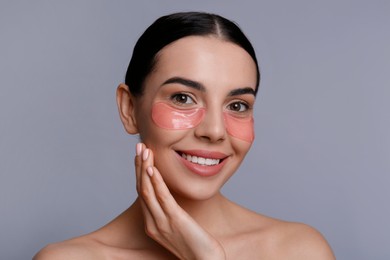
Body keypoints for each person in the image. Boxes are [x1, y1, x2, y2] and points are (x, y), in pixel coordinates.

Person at [34, 12, 335, 259]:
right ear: (129, 109)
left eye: (237, 105)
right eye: (183, 98)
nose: (214, 131)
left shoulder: (299, 251)